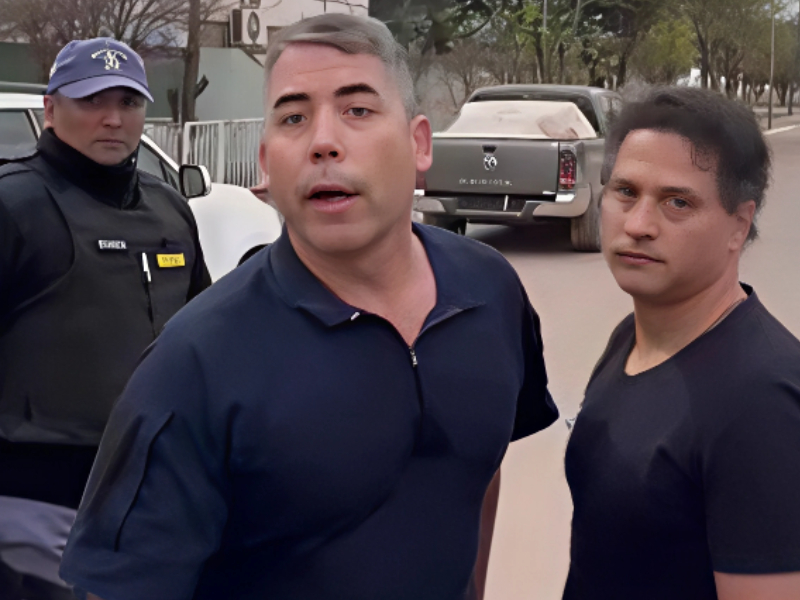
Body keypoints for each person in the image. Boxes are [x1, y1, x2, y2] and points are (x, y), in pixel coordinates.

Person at [59, 13, 558, 600]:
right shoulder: (195, 362)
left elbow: (477, 469)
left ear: (419, 143)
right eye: (294, 117)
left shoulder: (489, 291)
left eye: (357, 110)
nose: (323, 141)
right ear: (266, 163)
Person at [563, 86, 800, 599]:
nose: (638, 225)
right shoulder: (631, 338)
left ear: (739, 225)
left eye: (677, 202)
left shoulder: (762, 401)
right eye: (626, 191)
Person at [0, 38, 210, 600]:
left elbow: (207, 343)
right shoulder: (14, 206)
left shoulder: (170, 208)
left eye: (129, 101)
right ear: (50, 109)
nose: (113, 119)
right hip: (35, 502)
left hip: (152, 495)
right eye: (91, 100)